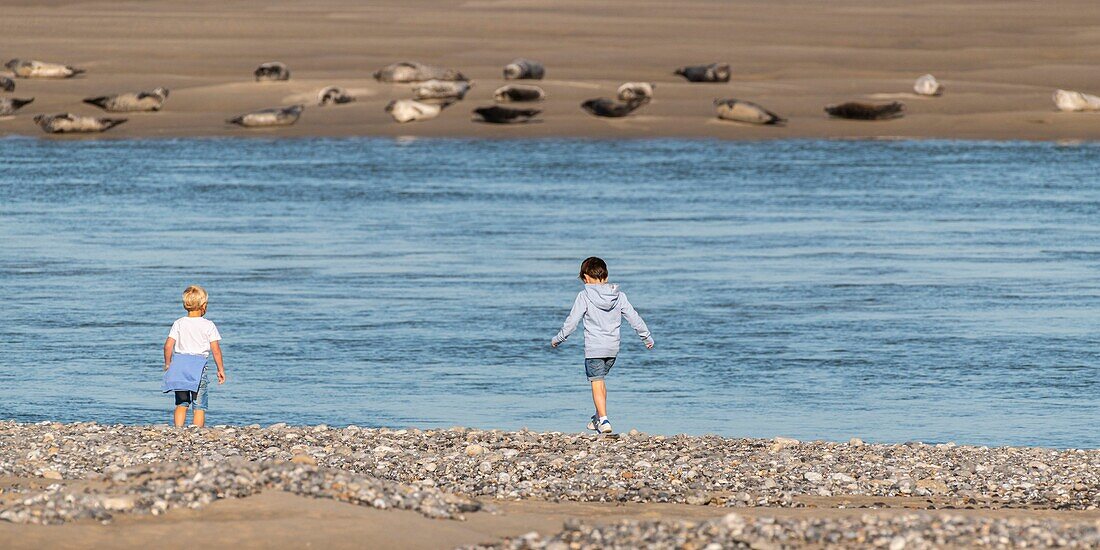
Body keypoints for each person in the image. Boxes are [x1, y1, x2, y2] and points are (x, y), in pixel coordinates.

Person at [551, 257, 653, 434]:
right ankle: (598, 417)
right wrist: (646, 337)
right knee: (601, 381)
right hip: (612, 350)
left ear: (586, 277)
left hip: (594, 349)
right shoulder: (619, 296)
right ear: (605, 275)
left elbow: (572, 321)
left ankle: (604, 419)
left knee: (596, 382)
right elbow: (634, 317)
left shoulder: (584, 296)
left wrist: (559, 338)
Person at [163, 285, 225, 427]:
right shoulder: (208, 325)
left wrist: (168, 364)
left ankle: (178, 429)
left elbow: (167, 346)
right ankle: (197, 432)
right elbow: (216, 350)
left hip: (179, 365)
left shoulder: (178, 323)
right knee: (199, 405)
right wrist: (220, 369)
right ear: (204, 305)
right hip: (198, 366)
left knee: (181, 403)